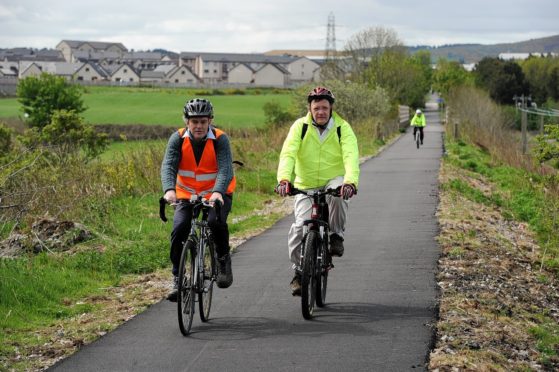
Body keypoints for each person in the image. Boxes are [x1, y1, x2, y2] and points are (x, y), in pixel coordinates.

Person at [276, 86, 360, 296]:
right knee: (297, 229)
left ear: (331, 108)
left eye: (324, 107)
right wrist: (284, 179)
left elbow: (351, 155)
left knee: (340, 197)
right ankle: (298, 271)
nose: (320, 112)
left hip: (334, 178)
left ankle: (336, 236)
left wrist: (349, 182)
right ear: (310, 109)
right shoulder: (300, 127)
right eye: (316, 108)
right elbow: (288, 154)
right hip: (306, 183)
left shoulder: (342, 128)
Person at [161, 98, 236, 302]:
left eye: (203, 121)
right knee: (179, 228)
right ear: (187, 121)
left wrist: (218, 192)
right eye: (194, 122)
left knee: (215, 222)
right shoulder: (176, 139)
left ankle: (222, 259)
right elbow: (168, 166)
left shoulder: (220, 139)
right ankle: (177, 277)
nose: (199, 126)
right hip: (186, 194)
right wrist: (169, 190)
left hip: (216, 193)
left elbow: (225, 168)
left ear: (210, 120)